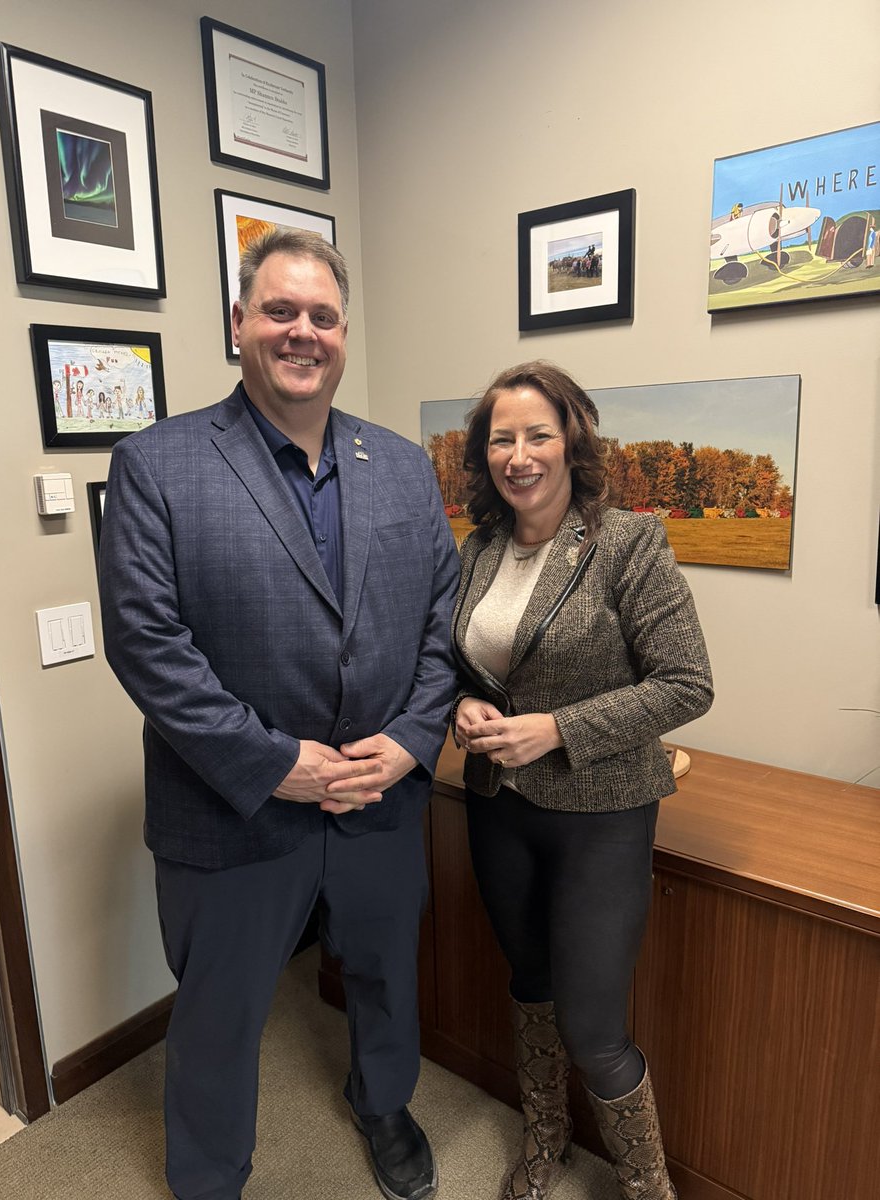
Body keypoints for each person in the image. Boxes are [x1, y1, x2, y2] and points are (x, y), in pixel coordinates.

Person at [99, 229, 459, 1200]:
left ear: (345, 334)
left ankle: (384, 1103)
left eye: (323, 316)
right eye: (280, 311)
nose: (302, 331)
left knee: (385, 976)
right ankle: (211, 1175)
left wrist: (410, 740)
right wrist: (272, 763)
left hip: (379, 799)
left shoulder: (400, 466)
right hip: (234, 810)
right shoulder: (157, 465)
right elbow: (147, 644)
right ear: (238, 324)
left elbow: (442, 618)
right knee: (220, 1013)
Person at [451, 361, 713, 1200]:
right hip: (498, 805)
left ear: (571, 441)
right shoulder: (480, 549)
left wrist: (560, 728)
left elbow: (686, 683)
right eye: (502, 439)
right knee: (527, 988)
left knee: (593, 1025)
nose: (519, 454)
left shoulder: (627, 542)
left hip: (602, 810)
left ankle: (647, 1187)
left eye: (537, 434)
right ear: (483, 454)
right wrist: (463, 704)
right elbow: (465, 662)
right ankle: (546, 1143)